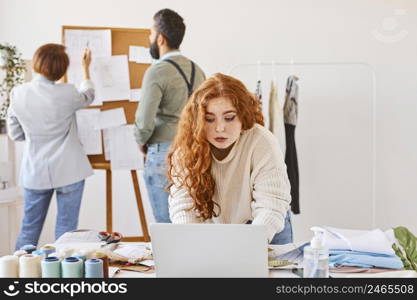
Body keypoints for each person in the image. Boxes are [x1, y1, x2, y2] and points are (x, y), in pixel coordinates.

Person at [167, 73, 293, 244]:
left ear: (243, 115)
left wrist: (251, 246)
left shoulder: (262, 142)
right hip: (215, 227)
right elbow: (183, 206)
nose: (220, 128)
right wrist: (193, 244)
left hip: (266, 226)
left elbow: (271, 206)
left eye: (229, 118)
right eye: (209, 119)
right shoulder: (187, 148)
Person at [7, 43, 95, 249]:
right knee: (66, 232)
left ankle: (18, 276)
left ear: (37, 63)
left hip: (35, 171)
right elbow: (89, 95)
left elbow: (15, 134)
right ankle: (61, 278)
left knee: (29, 229)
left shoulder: (18, 93)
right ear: (61, 69)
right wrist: (85, 69)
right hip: (70, 170)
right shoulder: (68, 93)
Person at [134, 8, 205, 223]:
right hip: (193, 152)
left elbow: (144, 122)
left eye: (150, 34)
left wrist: (140, 140)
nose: (150, 39)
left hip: (162, 154)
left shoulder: (157, 71)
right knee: (189, 219)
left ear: (161, 38)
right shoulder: (197, 70)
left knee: (166, 225)